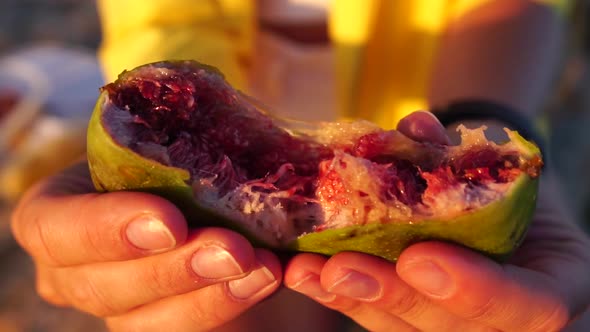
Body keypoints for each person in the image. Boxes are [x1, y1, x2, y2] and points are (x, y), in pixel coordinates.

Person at [10, 0, 590, 331]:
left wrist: (481, 111)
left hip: (429, 92)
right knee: (225, 304)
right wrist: (166, 126)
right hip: (239, 71)